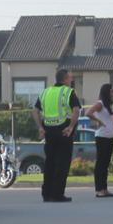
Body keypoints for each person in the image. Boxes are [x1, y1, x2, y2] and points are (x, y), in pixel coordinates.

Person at [33, 69, 81, 203]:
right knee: (62, 164)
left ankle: (46, 194)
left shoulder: (45, 92)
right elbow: (76, 110)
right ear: (65, 79)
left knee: (50, 163)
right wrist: (71, 127)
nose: (71, 81)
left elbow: (35, 111)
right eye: (70, 78)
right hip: (64, 131)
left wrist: (40, 127)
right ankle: (57, 194)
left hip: (48, 131)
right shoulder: (68, 92)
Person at [85, 82, 113, 197]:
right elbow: (88, 112)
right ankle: (99, 189)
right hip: (102, 137)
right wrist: (98, 121)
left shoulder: (109, 105)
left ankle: (104, 188)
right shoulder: (100, 104)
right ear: (107, 92)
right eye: (112, 91)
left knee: (106, 163)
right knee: (101, 164)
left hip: (109, 137)